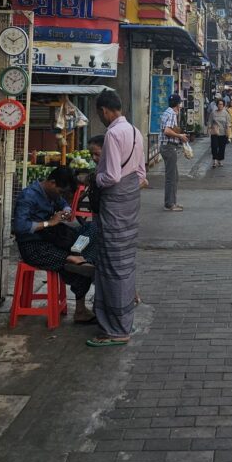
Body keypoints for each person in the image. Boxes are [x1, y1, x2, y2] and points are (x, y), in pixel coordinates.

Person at [87, 89, 146, 348]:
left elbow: (110, 176)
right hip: (131, 205)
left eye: (100, 113)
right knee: (123, 260)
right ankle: (120, 318)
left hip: (114, 205)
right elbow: (141, 174)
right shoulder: (135, 131)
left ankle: (116, 327)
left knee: (111, 263)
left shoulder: (112, 134)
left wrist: (95, 178)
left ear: (104, 111)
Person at [13, 166, 97, 324]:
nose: (61, 195)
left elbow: (63, 203)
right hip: (34, 246)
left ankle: (78, 254)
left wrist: (65, 211)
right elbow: (20, 227)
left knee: (92, 228)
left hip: (55, 239)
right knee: (78, 265)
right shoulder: (28, 196)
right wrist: (48, 223)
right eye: (61, 191)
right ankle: (74, 258)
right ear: (52, 182)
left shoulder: (53, 193)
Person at [160, 93, 187, 211]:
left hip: (167, 146)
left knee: (174, 176)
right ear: (177, 104)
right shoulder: (171, 113)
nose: (180, 105)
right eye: (180, 103)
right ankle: (170, 204)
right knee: (171, 177)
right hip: (169, 147)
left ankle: (172, 202)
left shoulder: (167, 112)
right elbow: (167, 131)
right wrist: (180, 135)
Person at [208, 97, 230, 166]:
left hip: (223, 133)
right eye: (219, 104)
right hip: (215, 132)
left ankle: (220, 160)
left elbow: (228, 123)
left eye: (221, 104)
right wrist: (209, 129)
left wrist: (228, 132)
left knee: (222, 147)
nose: (220, 105)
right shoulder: (213, 113)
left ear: (223, 105)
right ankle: (214, 160)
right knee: (214, 146)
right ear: (217, 105)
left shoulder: (226, 113)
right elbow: (209, 122)